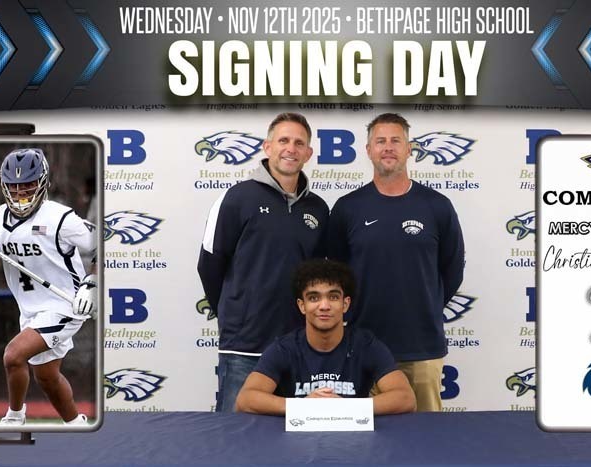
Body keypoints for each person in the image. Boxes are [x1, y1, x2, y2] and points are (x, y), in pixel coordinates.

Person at [326, 113, 465, 412]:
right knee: (371, 443)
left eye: (395, 140)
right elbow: (333, 275)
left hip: (423, 346)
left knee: (428, 439)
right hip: (363, 346)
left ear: (409, 148)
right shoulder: (347, 208)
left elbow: (452, 270)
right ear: (368, 150)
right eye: (380, 141)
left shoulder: (437, 206)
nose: (388, 147)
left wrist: (426, 304)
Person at [198, 113, 329, 412]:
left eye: (299, 143)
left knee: (292, 436)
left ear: (308, 154)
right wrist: (236, 310)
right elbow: (210, 264)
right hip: (244, 344)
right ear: (268, 147)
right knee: (236, 434)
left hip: (298, 343)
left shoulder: (318, 209)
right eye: (283, 140)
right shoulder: (236, 198)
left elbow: (321, 275)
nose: (291, 149)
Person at [0, 148, 97, 426]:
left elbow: (104, 244)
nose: (21, 191)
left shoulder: (60, 217)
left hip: (66, 305)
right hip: (31, 310)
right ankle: (75, 424)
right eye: (14, 186)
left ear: (43, 182)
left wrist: (92, 283)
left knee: (13, 355)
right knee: (47, 377)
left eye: (28, 184)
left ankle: (14, 417)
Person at [235, 259, 415, 415]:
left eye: (333, 297)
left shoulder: (365, 345)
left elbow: (405, 398)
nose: (324, 306)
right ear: (302, 306)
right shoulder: (285, 348)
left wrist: (346, 407)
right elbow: (246, 399)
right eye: (313, 298)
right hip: (297, 442)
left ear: (345, 304)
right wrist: (303, 406)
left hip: (353, 439)